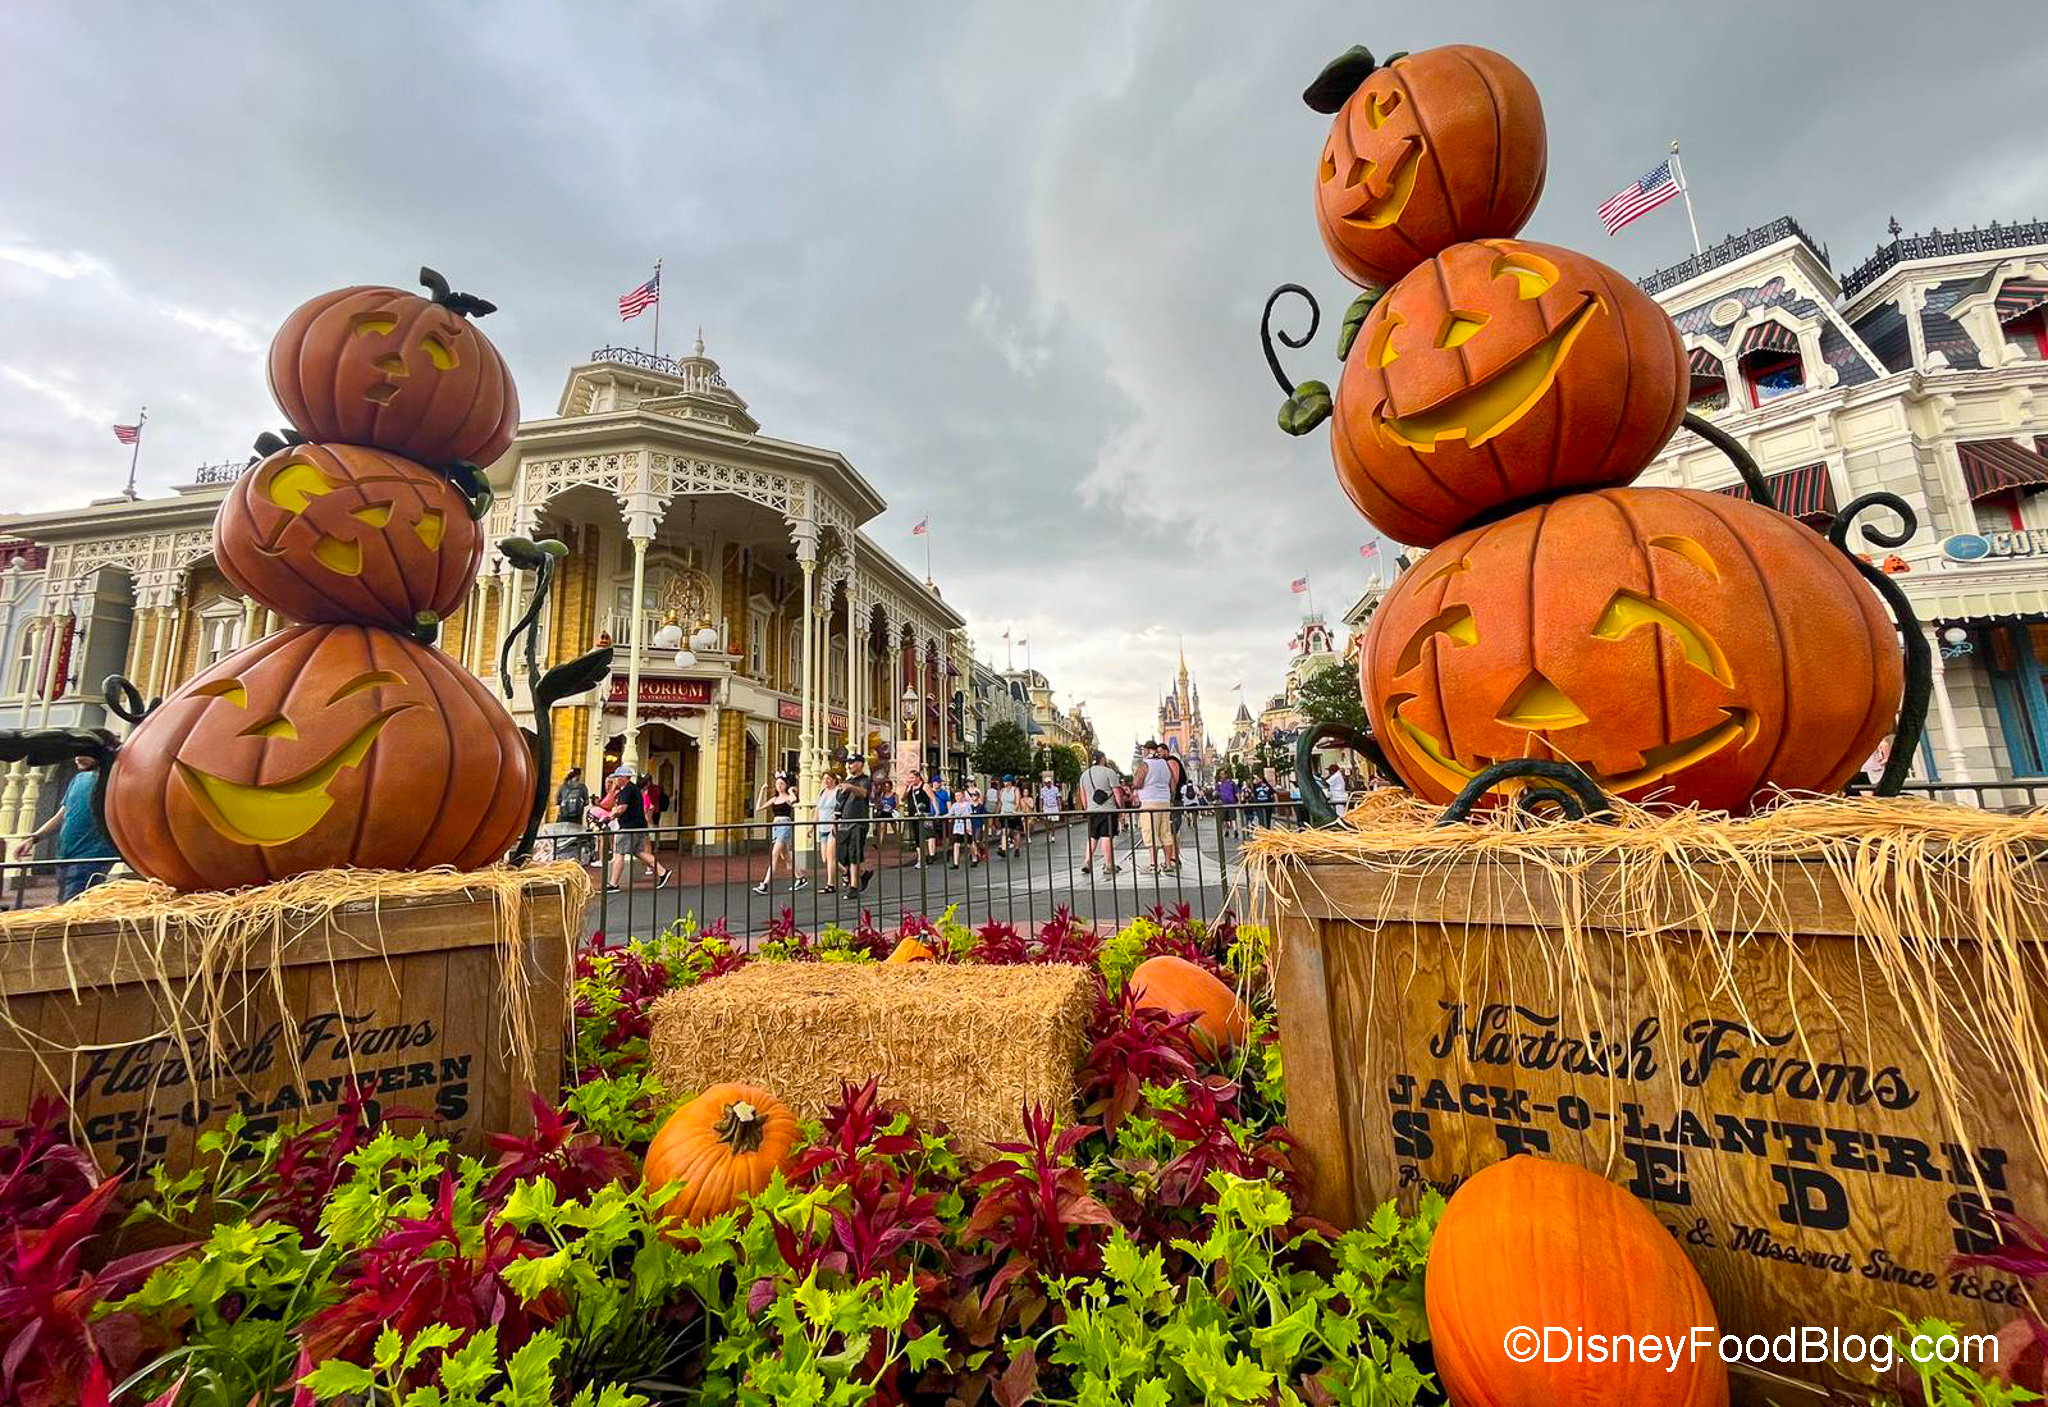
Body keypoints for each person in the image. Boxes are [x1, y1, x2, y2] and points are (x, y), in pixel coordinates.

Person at [10, 756, 118, 901]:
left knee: (73, 909)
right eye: (77, 752)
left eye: (86, 752)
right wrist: (33, 838)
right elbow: (61, 816)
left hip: (92, 859)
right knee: (66, 905)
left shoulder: (115, 781)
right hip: (65, 858)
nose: (78, 757)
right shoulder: (79, 779)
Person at [603, 767, 672, 891]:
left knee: (619, 853)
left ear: (624, 778)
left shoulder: (627, 791)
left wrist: (609, 818)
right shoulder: (633, 789)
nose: (616, 780)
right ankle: (662, 872)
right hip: (638, 826)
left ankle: (613, 884)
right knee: (639, 852)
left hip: (629, 827)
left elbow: (621, 808)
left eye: (618, 777)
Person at [753, 772, 807, 894]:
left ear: (786, 785)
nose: (779, 786)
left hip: (785, 825)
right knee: (785, 856)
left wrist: (792, 791)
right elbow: (758, 808)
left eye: (781, 783)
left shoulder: (788, 797)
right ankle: (800, 877)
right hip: (776, 826)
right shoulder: (775, 799)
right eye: (777, 783)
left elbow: (794, 800)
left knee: (775, 854)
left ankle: (764, 884)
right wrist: (762, 791)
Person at [1131, 741, 1176, 874]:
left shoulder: (1145, 764)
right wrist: (1169, 797)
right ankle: (1168, 863)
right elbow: (1172, 783)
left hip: (1149, 802)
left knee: (1151, 833)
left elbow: (1137, 783)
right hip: (1165, 801)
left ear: (1147, 750)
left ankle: (1153, 864)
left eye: (1143, 749)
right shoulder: (1165, 763)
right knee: (1166, 832)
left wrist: (1134, 784)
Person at [1078, 749, 1122, 878]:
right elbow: (1117, 792)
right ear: (1102, 759)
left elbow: (1083, 794)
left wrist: (1087, 808)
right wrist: (1120, 808)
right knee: (1106, 836)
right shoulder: (1109, 772)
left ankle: (1087, 862)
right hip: (1108, 810)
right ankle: (1109, 865)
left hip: (1092, 810)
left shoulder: (1085, 774)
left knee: (1092, 837)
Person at [835, 772, 873, 893]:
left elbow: (863, 793)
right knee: (842, 856)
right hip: (845, 822)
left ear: (859, 764)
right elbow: (840, 802)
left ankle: (854, 887)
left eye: (852, 763)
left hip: (858, 821)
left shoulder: (864, 780)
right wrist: (836, 819)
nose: (849, 765)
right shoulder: (848, 780)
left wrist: (850, 787)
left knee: (854, 854)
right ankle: (863, 874)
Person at [904, 771, 939, 868]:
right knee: (918, 837)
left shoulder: (925, 786)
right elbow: (902, 798)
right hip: (914, 815)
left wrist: (937, 812)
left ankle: (930, 855)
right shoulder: (910, 788)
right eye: (910, 778)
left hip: (925, 815)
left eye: (912, 778)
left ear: (918, 777)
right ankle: (921, 859)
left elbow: (932, 798)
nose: (911, 780)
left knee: (928, 834)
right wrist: (907, 789)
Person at [816, 770, 842, 892]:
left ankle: (830, 885)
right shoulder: (822, 792)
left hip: (833, 827)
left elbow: (839, 809)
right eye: (824, 779)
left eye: (829, 778)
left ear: (834, 779)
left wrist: (835, 823)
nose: (826, 781)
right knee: (825, 858)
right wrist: (811, 826)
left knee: (830, 857)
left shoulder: (838, 792)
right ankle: (845, 871)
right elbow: (817, 810)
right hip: (822, 827)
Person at [948, 786, 975, 868]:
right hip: (957, 827)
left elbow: (969, 814)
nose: (957, 798)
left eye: (959, 796)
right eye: (956, 796)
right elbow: (950, 814)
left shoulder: (967, 804)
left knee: (969, 844)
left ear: (963, 796)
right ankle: (956, 863)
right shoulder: (954, 805)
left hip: (966, 826)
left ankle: (974, 858)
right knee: (956, 844)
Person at [997, 775, 1022, 857]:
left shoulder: (1015, 790)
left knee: (1015, 832)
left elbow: (1017, 802)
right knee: (1005, 831)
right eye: (1004, 781)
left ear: (1010, 782)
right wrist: (997, 812)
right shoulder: (1002, 791)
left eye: (1006, 781)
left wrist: (1014, 810)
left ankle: (1017, 848)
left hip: (1013, 813)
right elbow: (1000, 802)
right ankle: (1003, 850)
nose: (1004, 782)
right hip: (1004, 813)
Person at [1038, 776, 1062, 842]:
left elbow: (1058, 798)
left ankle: (1053, 836)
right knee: (1046, 822)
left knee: (1053, 822)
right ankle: (1048, 834)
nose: (1048, 784)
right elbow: (1041, 799)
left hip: (1054, 807)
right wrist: (1040, 808)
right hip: (1046, 807)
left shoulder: (1055, 789)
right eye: (1046, 782)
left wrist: (1059, 806)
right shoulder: (1042, 790)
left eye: (1049, 782)